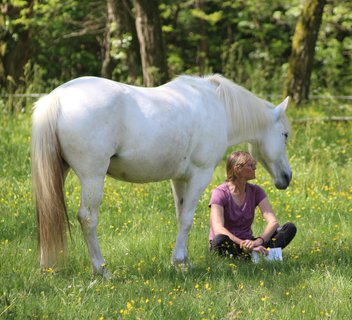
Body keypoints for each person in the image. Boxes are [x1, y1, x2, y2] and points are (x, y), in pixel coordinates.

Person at [209, 151, 296, 259]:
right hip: (230, 243)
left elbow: (273, 222)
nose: (254, 168)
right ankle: (254, 255)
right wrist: (243, 244)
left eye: (254, 164)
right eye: (250, 165)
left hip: (251, 243)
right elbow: (218, 228)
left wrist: (258, 241)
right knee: (220, 240)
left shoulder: (256, 191)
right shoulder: (219, 193)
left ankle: (253, 254)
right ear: (237, 169)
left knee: (289, 228)